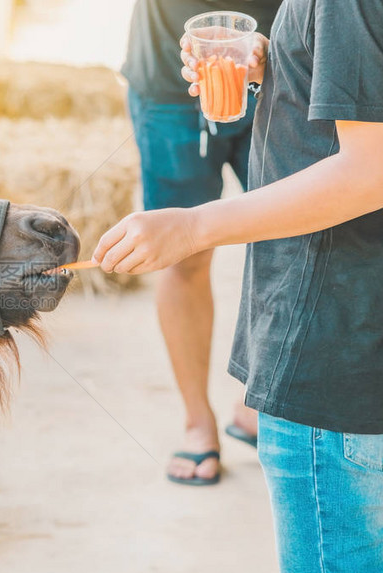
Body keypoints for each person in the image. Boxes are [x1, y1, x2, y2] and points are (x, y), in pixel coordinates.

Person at [96, 0, 383, 570]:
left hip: (330, 342)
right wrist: (288, 64)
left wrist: (193, 224)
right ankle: (202, 422)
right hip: (364, 325)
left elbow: (374, 172)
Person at [121, 0, 281, 486]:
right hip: (170, 88)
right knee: (183, 256)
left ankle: (260, 405)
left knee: (293, 245)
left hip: (282, 67)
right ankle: (198, 422)